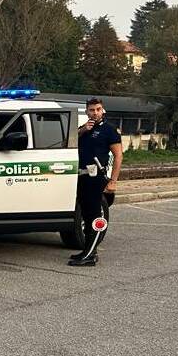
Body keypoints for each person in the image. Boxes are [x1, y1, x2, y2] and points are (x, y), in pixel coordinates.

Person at [69, 97, 123, 267]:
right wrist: (83, 130)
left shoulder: (109, 129)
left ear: (103, 110)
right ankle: (87, 250)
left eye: (98, 109)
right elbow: (69, 142)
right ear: (86, 112)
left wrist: (113, 181)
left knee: (94, 215)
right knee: (84, 214)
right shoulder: (83, 129)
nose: (95, 113)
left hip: (96, 177)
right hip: (82, 176)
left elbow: (118, 156)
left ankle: (91, 255)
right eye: (92, 110)